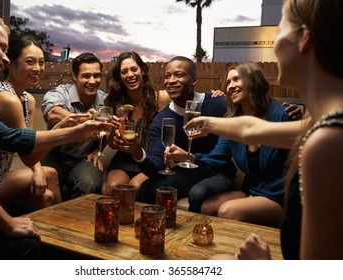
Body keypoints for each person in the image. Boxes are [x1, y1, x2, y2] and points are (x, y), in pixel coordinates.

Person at [185, 0, 343, 260]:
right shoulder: (320, 125)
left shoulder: (327, 140)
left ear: (304, 38)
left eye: (280, 30)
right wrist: (207, 125)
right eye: (228, 82)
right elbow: (250, 129)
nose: (272, 44)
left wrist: (262, 265)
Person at [0, 2, 110, 259]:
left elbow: (9, 137)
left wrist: (75, 131)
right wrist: (7, 223)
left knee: (35, 218)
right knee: (23, 243)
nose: (4, 58)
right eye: (2, 48)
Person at [169, 62, 290, 227]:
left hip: (278, 196)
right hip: (251, 190)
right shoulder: (232, 123)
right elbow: (215, 159)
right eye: (228, 82)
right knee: (207, 207)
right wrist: (188, 156)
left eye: (236, 80)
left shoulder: (281, 116)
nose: (231, 86)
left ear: (253, 81)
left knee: (227, 211)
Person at [0, 35, 61, 213]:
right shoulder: (7, 99)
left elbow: (30, 144)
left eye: (41, 63)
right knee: (51, 174)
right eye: (30, 62)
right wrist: (60, 132)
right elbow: (27, 154)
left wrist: (37, 170)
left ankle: (54, 235)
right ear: (10, 63)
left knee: (46, 198)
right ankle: (65, 228)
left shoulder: (28, 99)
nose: (38, 69)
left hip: (1, 174)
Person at [135, 56, 234, 204]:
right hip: (190, 171)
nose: (171, 81)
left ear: (194, 80)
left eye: (179, 75)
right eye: (167, 76)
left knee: (198, 192)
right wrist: (136, 151)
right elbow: (156, 166)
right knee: (146, 189)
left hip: (219, 170)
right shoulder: (162, 119)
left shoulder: (218, 103)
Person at [103, 51, 171, 195]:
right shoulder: (116, 103)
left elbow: (188, 98)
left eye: (134, 69)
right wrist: (113, 138)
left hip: (152, 160)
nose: (130, 75)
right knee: (113, 186)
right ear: (119, 77)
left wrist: (215, 94)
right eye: (124, 71)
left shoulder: (161, 98)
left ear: (143, 71)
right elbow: (111, 142)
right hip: (124, 159)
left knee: (135, 187)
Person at [41, 52, 107, 199]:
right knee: (40, 187)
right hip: (54, 155)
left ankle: (79, 221)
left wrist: (97, 149)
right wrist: (88, 120)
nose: (92, 81)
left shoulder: (105, 101)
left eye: (96, 75)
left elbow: (108, 129)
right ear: (75, 76)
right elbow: (53, 114)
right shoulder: (59, 93)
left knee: (90, 183)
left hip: (82, 159)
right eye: (86, 76)